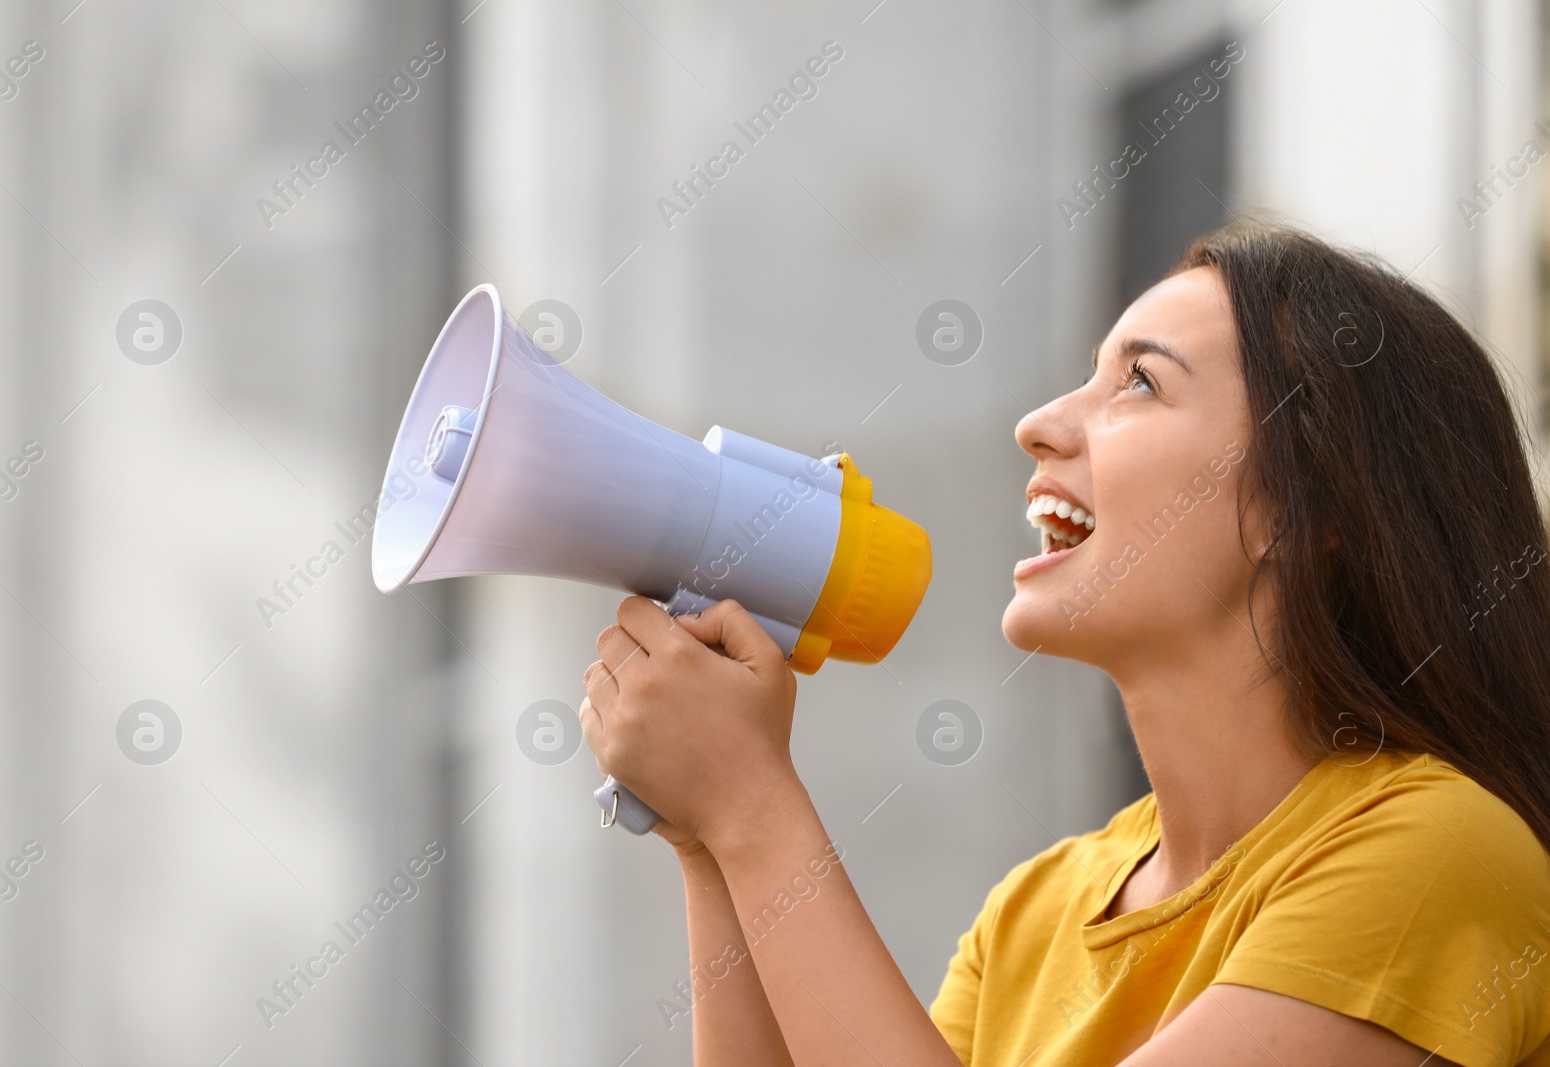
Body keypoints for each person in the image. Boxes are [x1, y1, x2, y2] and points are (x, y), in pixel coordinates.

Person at [577, 220, 1550, 1066]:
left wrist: (752, 806)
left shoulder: (1440, 852)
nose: (1037, 425)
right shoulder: (1035, 909)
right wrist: (706, 838)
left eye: (1137, 383)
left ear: (1304, 509)